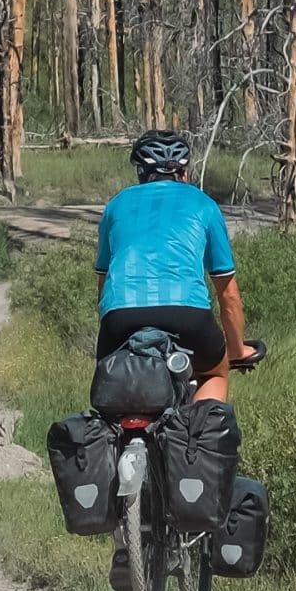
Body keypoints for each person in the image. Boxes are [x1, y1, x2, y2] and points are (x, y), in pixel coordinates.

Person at [94, 129, 256, 402]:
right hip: (188, 318)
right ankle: (202, 435)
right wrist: (237, 350)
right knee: (215, 372)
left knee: (113, 383)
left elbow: (103, 285)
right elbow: (228, 294)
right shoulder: (204, 204)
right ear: (184, 173)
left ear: (141, 173)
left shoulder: (116, 205)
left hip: (119, 319)